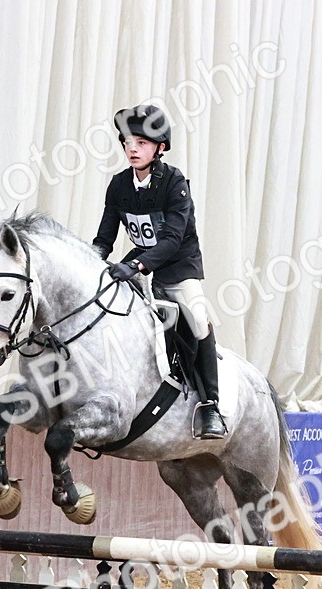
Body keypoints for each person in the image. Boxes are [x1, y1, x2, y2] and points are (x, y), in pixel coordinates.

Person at [93, 104, 225, 439]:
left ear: (159, 147)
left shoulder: (175, 183)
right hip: (137, 263)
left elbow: (171, 239)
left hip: (178, 266)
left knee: (196, 317)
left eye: (141, 142)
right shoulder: (119, 185)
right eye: (127, 142)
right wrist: (93, 264)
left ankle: (211, 405)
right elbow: (104, 238)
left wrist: (136, 266)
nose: (132, 148)